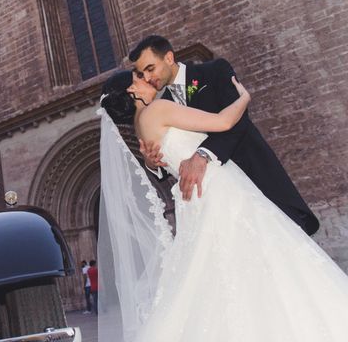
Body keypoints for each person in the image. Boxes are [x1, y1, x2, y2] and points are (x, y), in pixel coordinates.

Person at [96, 69, 348, 341]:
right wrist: (243, 97)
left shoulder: (139, 127)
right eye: (139, 78)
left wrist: (150, 163)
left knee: (222, 267)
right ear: (132, 92)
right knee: (261, 256)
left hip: (196, 197)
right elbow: (223, 122)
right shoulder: (156, 109)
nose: (148, 79)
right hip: (218, 189)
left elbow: (166, 159)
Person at [129, 35, 319, 235]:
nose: (148, 78)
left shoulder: (213, 71)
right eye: (143, 73)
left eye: (150, 69)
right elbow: (176, 156)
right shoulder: (164, 104)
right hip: (218, 202)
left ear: (168, 58)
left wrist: (202, 154)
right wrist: (153, 164)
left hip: (256, 178)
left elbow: (238, 123)